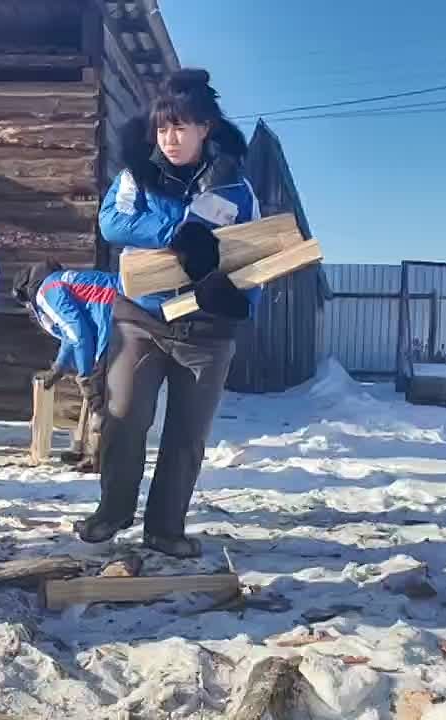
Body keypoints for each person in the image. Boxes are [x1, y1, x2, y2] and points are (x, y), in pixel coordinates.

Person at [78, 69, 261, 558]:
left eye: (180, 127)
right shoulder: (138, 174)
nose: (170, 138)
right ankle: (112, 511)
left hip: (206, 331)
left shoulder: (236, 190)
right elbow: (112, 221)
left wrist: (241, 301)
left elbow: (259, 254)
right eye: (162, 128)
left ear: (205, 128)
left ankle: (165, 529)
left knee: (186, 436)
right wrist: (174, 235)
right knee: (122, 418)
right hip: (141, 318)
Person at [12, 261, 119, 472]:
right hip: (122, 309)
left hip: (114, 320)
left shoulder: (46, 292)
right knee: (105, 393)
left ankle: (99, 458)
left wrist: (85, 374)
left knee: (99, 395)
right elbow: (71, 335)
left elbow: (78, 335)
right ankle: (91, 451)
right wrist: (59, 368)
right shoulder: (61, 281)